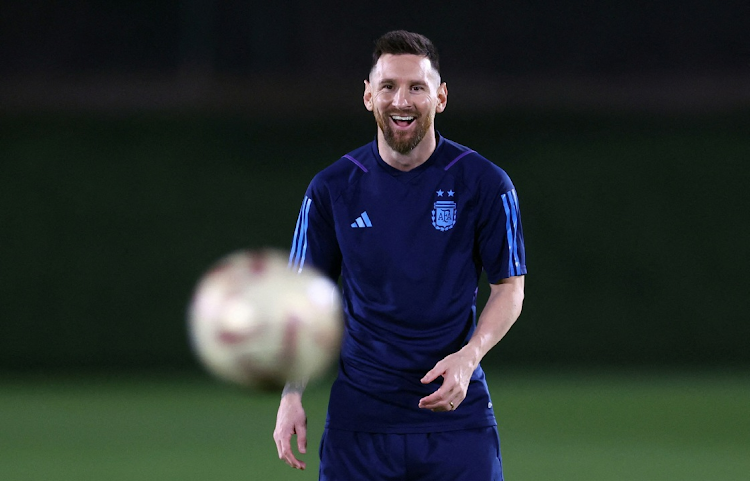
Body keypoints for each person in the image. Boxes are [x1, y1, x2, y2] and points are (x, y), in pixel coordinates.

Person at [273, 30, 526, 480]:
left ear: (441, 97)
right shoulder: (332, 190)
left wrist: (470, 356)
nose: (401, 100)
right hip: (360, 424)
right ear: (368, 96)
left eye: (417, 87)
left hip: (456, 420)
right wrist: (291, 393)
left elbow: (509, 287)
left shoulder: (485, 184)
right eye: (388, 86)